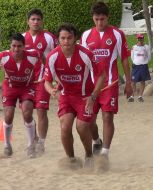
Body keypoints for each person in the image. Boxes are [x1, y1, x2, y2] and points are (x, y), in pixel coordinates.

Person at [44, 23, 105, 167]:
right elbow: (46, 82)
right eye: (63, 38)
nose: (66, 41)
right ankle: (71, 159)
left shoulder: (86, 54)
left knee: (83, 126)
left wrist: (93, 96)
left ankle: (89, 155)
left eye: (69, 38)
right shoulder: (52, 57)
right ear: (58, 40)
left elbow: (101, 76)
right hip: (66, 96)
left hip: (85, 96)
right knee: (65, 127)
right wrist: (52, 90)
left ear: (75, 38)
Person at [80, 2, 133, 169]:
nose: (99, 23)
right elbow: (82, 61)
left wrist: (129, 82)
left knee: (108, 117)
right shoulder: (86, 35)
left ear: (107, 18)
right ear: (92, 18)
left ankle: (104, 153)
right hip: (91, 86)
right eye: (96, 19)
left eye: (102, 19)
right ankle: (96, 141)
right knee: (88, 122)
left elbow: (124, 58)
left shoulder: (117, 34)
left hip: (111, 83)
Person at [0, 33, 41, 158]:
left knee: (27, 113)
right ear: (10, 46)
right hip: (10, 87)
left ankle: (30, 146)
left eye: (19, 46)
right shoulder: (3, 56)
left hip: (26, 87)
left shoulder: (33, 55)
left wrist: (44, 76)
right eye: (14, 46)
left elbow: (44, 58)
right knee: (8, 115)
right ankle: (7, 145)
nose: (16, 49)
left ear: (24, 46)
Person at [23, 8, 57, 155]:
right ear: (28, 22)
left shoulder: (49, 38)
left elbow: (58, 55)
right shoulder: (22, 38)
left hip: (44, 80)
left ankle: (40, 144)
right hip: (27, 82)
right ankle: (33, 138)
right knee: (26, 112)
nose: (36, 22)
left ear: (42, 21)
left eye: (38, 19)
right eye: (33, 19)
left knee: (41, 111)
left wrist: (56, 79)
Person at [128, 33, 151, 102]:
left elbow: (149, 56)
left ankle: (140, 96)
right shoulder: (134, 47)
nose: (140, 40)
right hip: (136, 66)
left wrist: (144, 62)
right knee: (133, 81)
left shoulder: (146, 47)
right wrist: (135, 62)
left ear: (143, 39)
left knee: (142, 81)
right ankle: (132, 96)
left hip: (143, 66)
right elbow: (132, 56)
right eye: (139, 38)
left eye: (141, 38)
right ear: (137, 39)